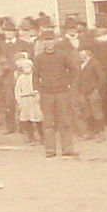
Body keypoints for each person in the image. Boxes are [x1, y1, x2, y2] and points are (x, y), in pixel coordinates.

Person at [32, 27, 79, 158]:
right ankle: (50, 150)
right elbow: (35, 75)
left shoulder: (63, 55)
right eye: (46, 40)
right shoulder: (39, 58)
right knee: (48, 123)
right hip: (46, 93)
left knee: (65, 121)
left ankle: (67, 149)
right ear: (42, 43)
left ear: (55, 41)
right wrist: (36, 90)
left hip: (62, 92)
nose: (49, 43)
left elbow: (74, 70)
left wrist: (68, 82)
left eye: (51, 40)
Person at [13, 54, 42, 145]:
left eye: (28, 67)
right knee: (27, 119)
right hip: (25, 100)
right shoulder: (21, 78)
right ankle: (31, 137)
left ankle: (42, 136)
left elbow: (41, 87)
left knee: (38, 118)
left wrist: (38, 95)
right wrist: (19, 100)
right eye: (24, 67)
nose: (26, 69)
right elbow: (17, 90)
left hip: (35, 100)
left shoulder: (36, 77)